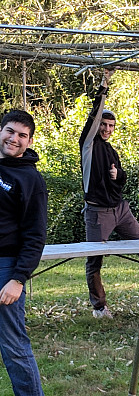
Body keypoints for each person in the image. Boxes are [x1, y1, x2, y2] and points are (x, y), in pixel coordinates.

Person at [79, 68, 139, 319]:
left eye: (111, 126)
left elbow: (120, 178)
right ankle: (99, 306)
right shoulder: (88, 145)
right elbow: (93, 118)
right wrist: (104, 85)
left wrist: (120, 176)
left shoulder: (111, 149)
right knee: (94, 259)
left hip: (120, 209)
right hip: (98, 212)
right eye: (104, 125)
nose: (107, 129)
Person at [0, 110, 47, 395]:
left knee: (13, 344)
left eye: (22, 135)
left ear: (29, 141)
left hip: (6, 268)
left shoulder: (30, 180)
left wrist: (18, 279)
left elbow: (35, 235)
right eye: (9, 131)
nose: (14, 139)